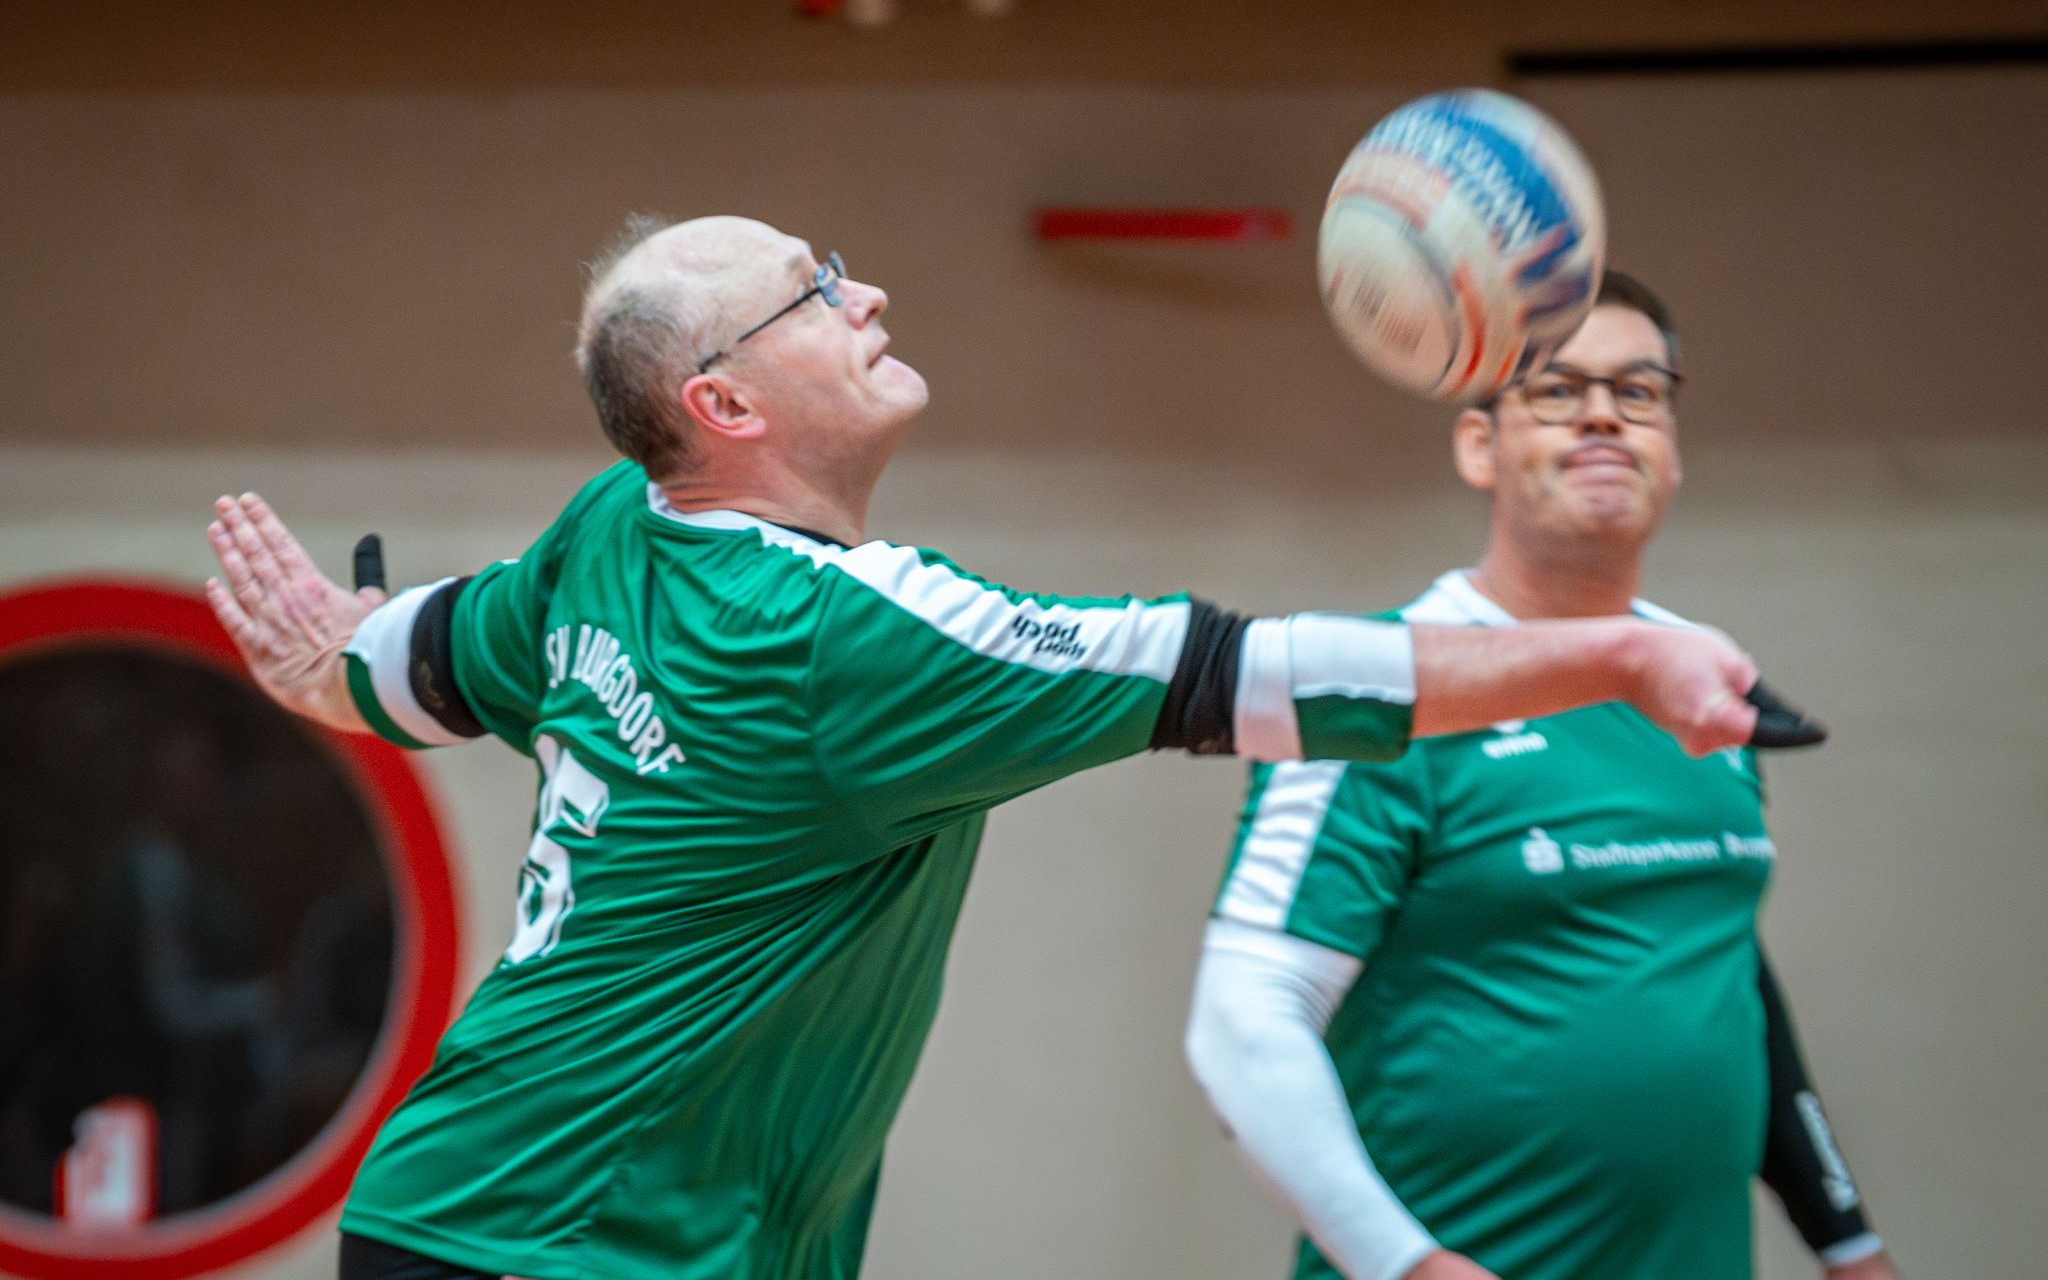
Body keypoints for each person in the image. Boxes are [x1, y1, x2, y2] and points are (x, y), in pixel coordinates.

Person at [204, 217, 1775, 1280]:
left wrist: (328, 660)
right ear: (724, 401)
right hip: (568, 1240)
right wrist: (1619, 653)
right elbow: (1257, 675)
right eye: (815, 291)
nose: (866, 295)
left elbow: (429, 660)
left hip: (500, 1213)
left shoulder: (617, 522)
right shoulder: (841, 634)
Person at [1186, 273, 1899, 1280]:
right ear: (1478, 445)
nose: (1603, 414)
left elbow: (1723, 966)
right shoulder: (1373, 694)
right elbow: (1243, 1020)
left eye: (1638, 391)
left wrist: (1847, 1241)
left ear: (1671, 450)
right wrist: (1403, 1265)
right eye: (1558, 389)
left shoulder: (1705, 682)